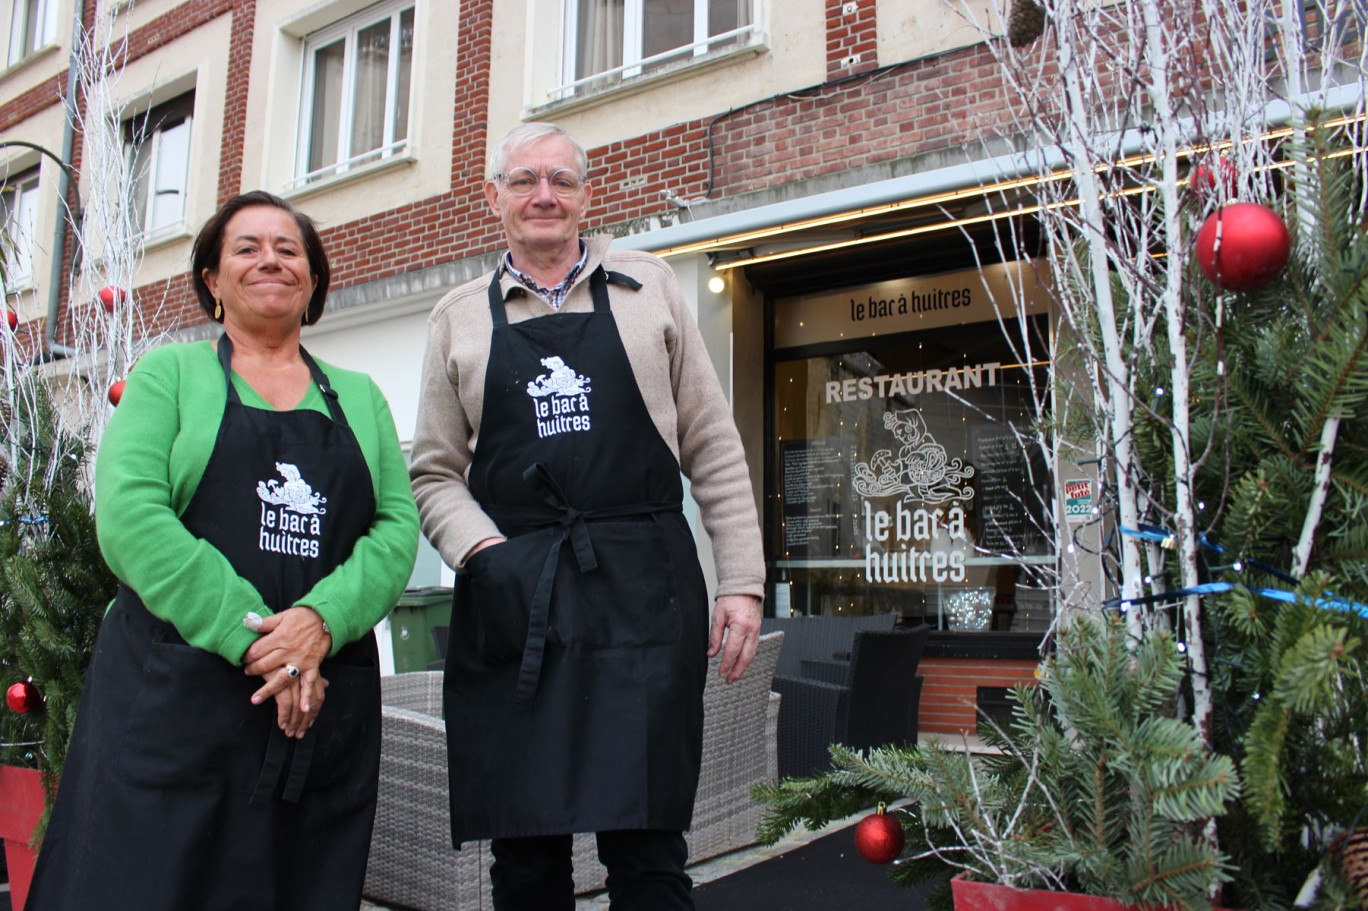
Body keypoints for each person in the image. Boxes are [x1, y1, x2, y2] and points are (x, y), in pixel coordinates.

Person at [26, 191, 419, 911]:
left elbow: (395, 529)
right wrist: (262, 639)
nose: (270, 258)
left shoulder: (360, 396)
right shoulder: (167, 377)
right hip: (176, 708)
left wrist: (319, 622)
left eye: (289, 248)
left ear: (314, 277)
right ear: (212, 278)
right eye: (247, 247)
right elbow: (130, 517)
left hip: (316, 710)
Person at [409, 122, 765, 910]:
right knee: (526, 850)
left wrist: (741, 579)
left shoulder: (652, 288)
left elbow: (712, 441)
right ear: (493, 195)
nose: (544, 195)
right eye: (526, 179)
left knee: (648, 842)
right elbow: (432, 471)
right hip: (516, 596)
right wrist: (484, 553)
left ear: (586, 195)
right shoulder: (458, 317)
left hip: (643, 589)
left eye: (562, 181)